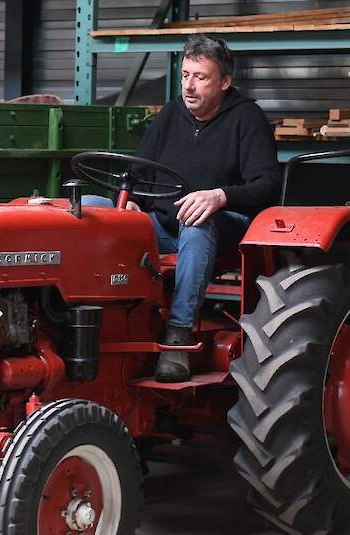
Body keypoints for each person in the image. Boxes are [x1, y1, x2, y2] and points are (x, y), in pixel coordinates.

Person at [85, 34, 280, 382]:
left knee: (196, 222)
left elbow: (267, 185)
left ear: (225, 81)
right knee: (89, 208)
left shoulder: (246, 118)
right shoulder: (172, 113)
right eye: (185, 76)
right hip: (162, 224)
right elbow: (140, 173)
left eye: (200, 78)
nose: (189, 87)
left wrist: (219, 196)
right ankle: (89, 316)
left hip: (222, 224)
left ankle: (178, 338)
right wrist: (129, 206)